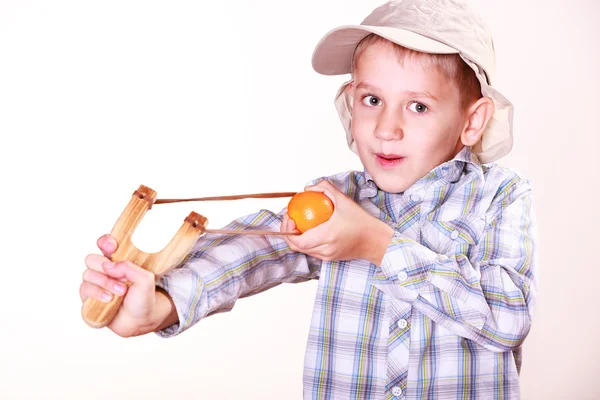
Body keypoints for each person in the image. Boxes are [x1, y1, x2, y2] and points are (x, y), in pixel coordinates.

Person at [80, 0, 539, 398]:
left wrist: (377, 245)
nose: (386, 127)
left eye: (418, 106)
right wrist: (161, 302)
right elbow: (257, 249)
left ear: (473, 121)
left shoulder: (500, 196)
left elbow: (508, 315)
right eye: (372, 99)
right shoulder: (338, 198)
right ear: (349, 101)